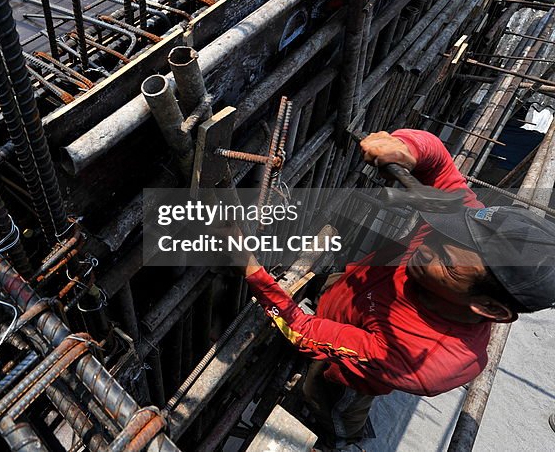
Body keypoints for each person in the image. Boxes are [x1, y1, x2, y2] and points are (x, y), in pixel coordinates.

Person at [238, 129, 555, 451]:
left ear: (489, 308)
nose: (427, 244)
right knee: (333, 294)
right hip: (352, 293)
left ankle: (341, 438)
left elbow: (304, 331)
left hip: (351, 373)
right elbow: (439, 164)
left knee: (325, 398)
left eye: (445, 261)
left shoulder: (425, 359)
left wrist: (249, 267)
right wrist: (406, 147)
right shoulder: (461, 233)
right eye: (445, 232)